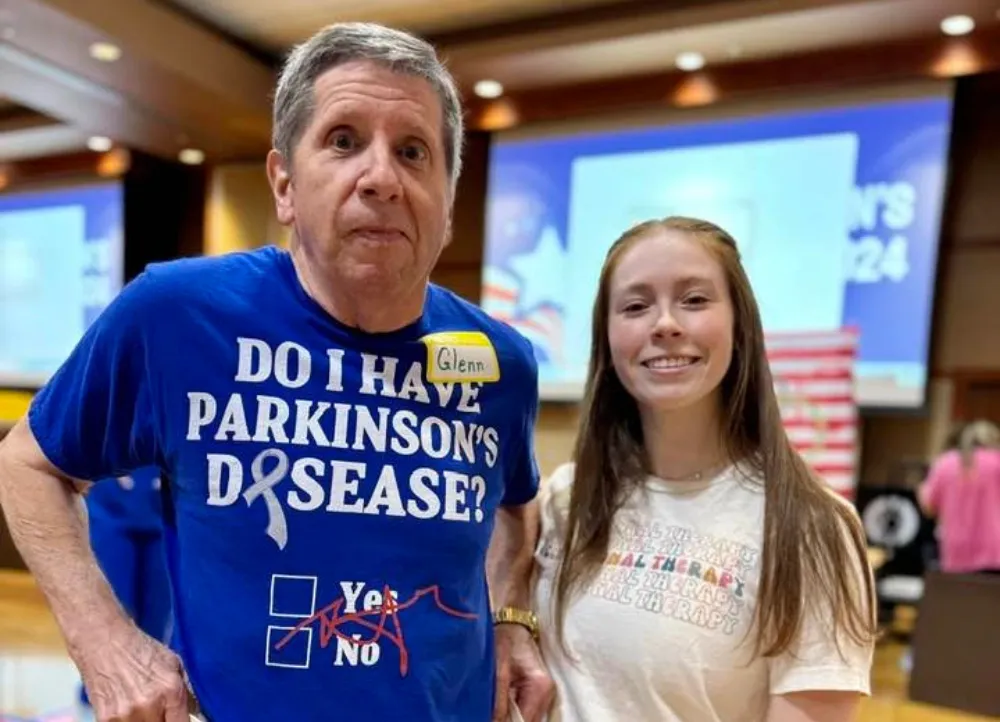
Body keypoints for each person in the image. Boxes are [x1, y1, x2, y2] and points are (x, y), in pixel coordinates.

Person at [0, 22, 551, 722]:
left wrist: (511, 619)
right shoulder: (176, 314)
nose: (382, 178)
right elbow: (27, 464)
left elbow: (515, 501)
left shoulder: (500, 361)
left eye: (413, 152)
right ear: (284, 184)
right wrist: (104, 644)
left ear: (447, 202)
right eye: (344, 141)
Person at [530, 217, 877, 721]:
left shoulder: (813, 527)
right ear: (606, 337)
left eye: (694, 300)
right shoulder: (563, 499)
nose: (665, 324)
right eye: (635, 306)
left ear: (740, 325)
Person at [79, 467, 173, 708]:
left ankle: (149, 688)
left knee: (157, 611)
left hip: (164, 503)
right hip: (110, 500)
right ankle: (99, 689)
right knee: (110, 605)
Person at [919, 419, 1000, 574]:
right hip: (995, 553)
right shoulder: (997, 462)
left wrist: (922, 489)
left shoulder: (944, 463)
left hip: (955, 553)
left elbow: (929, 507)